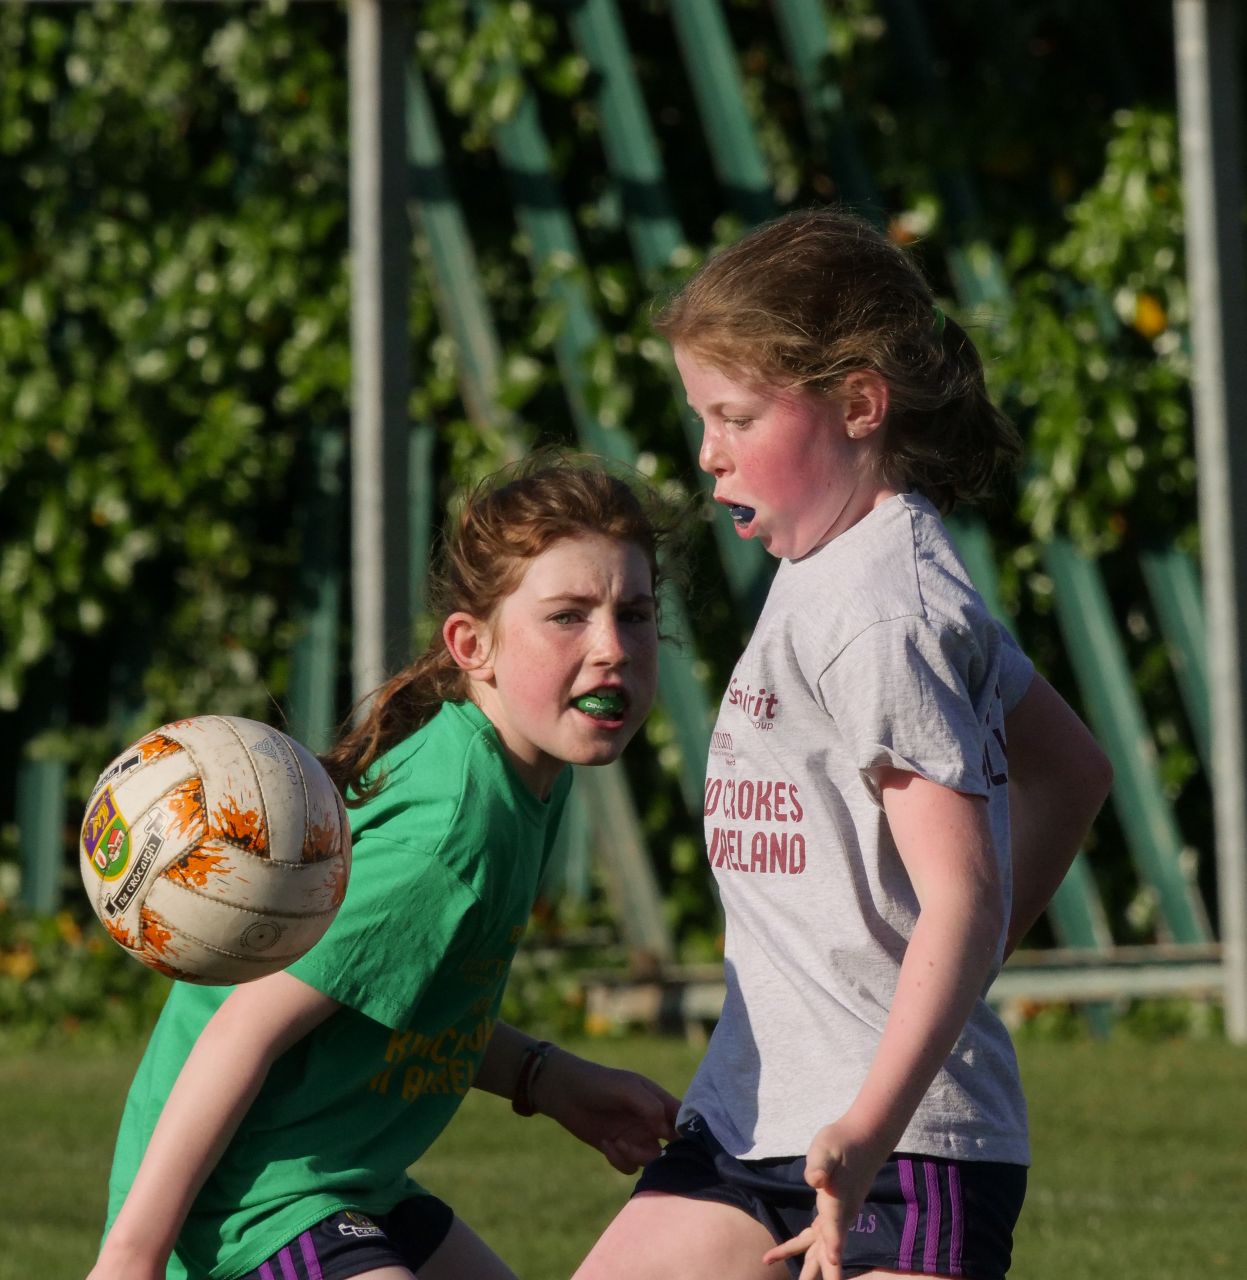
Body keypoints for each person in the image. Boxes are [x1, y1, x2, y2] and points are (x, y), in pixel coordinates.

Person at [574, 208, 1114, 1280]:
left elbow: (960, 896)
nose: (703, 451)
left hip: (902, 1148)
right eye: (700, 415)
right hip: (747, 1119)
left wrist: (878, 1101)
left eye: (731, 415)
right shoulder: (846, 557)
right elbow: (1072, 766)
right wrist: (944, 969)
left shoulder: (882, 610)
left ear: (858, 403)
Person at [89, 454, 682, 1280]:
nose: (612, 647)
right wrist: (130, 1257)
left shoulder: (519, 776)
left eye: (636, 612)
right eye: (568, 617)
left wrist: (546, 1079)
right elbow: (242, 1028)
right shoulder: (452, 826)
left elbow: (401, 991)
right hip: (253, 1204)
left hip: (347, 1181)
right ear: (473, 645)